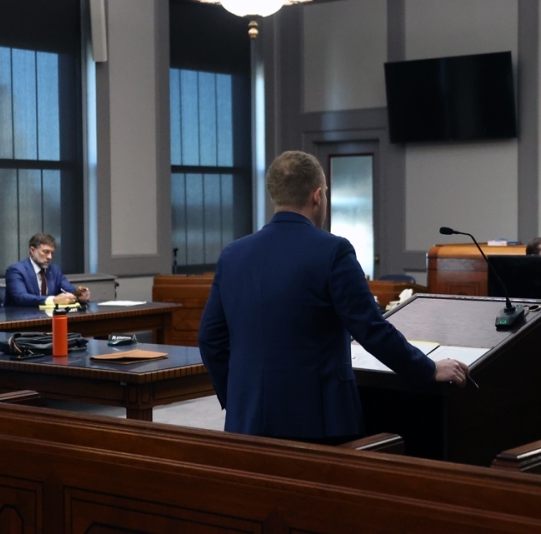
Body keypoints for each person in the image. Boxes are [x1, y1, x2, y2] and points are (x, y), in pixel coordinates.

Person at [198, 150, 468, 444]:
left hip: (247, 421)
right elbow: (371, 329)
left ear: (275, 195)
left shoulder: (233, 255)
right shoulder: (332, 251)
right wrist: (428, 369)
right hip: (318, 423)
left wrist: (238, 398)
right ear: (317, 196)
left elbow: (210, 339)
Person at [4, 233, 89, 307]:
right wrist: (53, 300)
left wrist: (80, 295)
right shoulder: (16, 270)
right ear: (32, 251)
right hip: (21, 317)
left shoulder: (55, 270)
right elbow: (21, 297)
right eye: (45, 252)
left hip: (48, 317)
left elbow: (70, 290)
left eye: (52, 253)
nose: (50, 257)